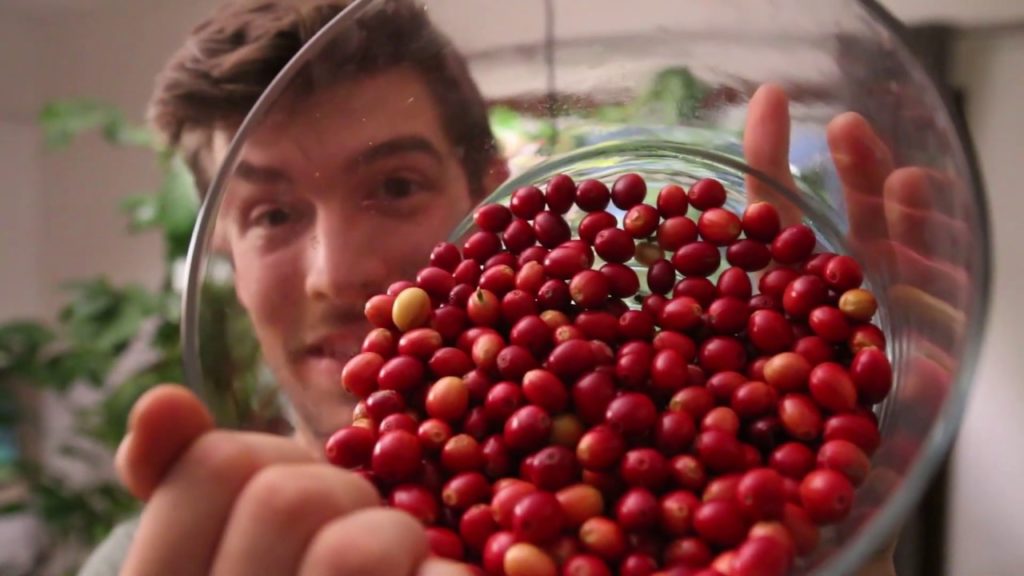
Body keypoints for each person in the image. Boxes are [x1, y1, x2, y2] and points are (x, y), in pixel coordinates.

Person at [78, 1, 905, 574]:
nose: (338, 275)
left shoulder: (710, 419)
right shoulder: (161, 563)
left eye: (396, 186)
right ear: (221, 249)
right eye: (270, 214)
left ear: (491, 194)